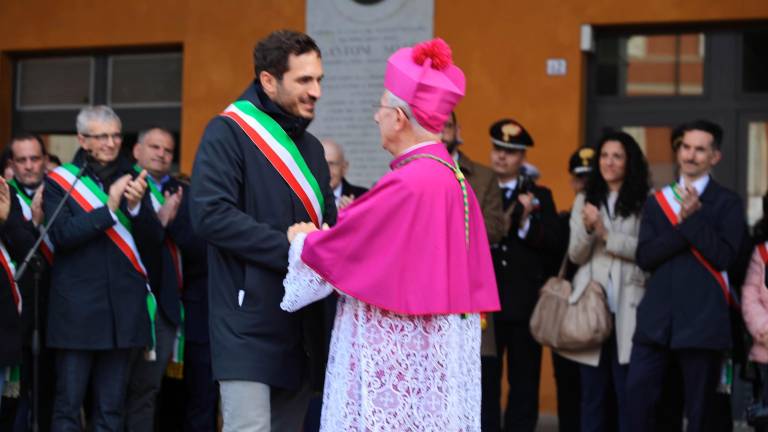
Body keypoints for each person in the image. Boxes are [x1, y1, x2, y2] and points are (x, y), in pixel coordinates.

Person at [280, 38, 499, 431]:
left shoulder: (409, 182)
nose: (375, 118)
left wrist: (304, 239)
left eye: (380, 109)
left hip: (399, 358)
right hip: (432, 355)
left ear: (398, 117)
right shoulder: (453, 177)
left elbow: (343, 251)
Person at [190, 30, 336, 432]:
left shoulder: (312, 151)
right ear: (269, 81)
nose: (316, 91)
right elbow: (209, 215)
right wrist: (288, 245)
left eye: (319, 79)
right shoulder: (227, 133)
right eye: (304, 80)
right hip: (246, 325)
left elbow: (329, 226)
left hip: (302, 327)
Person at [627, 119, 746, 432]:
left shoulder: (728, 203)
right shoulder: (656, 203)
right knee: (643, 411)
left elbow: (725, 257)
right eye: (686, 147)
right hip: (656, 327)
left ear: (714, 157)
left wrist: (692, 223)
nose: (690, 155)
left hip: (702, 326)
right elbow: (645, 257)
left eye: (700, 150)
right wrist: (686, 229)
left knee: (701, 417)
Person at [44, 105, 156, 431]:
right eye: (102, 136)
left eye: (116, 135)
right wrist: (109, 208)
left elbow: (153, 243)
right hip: (76, 316)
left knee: (111, 412)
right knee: (68, 408)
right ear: (82, 139)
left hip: (122, 315)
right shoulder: (60, 181)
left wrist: (135, 208)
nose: (111, 142)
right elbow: (61, 236)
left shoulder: (135, 178)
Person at [566, 132, 650, 432]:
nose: (609, 162)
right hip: (591, 308)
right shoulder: (584, 199)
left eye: (617, 156)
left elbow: (647, 251)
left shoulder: (645, 200)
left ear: (630, 162)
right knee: (592, 397)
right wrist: (588, 230)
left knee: (628, 394)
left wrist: (605, 233)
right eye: (604, 156)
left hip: (631, 308)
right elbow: (575, 255)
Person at [488, 118, 560, 432]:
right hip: (486, 303)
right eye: (497, 148)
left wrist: (528, 223)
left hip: (523, 303)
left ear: (522, 158)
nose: (501, 156)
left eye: (511, 151)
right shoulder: (481, 188)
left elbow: (555, 244)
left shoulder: (540, 195)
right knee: (485, 380)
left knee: (524, 381)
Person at [440, 110, 505, 431]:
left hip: (469, 293)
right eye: (435, 126)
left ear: (458, 130)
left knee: (477, 382)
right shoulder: (412, 171)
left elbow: (494, 228)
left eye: (448, 126)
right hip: (430, 292)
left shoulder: (482, 176)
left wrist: (448, 227)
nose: (441, 132)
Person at [124, 127, 184, 431]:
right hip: (125, 305)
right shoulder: (122, 183)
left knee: (147, 391)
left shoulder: (180, 189)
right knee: (113, 392)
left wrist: (171, 220)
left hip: (164, 307)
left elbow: (192, 240)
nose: (161, 154)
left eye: (168, 150)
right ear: (137, 151)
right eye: (154, 147)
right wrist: (160, 221)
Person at [7, 133, 56, 431]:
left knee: (49, 396)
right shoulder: (5, 195)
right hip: (18, 315)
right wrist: (35, 224)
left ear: (46, 161)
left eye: (35, 159)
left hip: (56, 311)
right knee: (16, 401)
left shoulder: (60, 193)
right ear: (12, 165)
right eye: (22, 160)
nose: (29, 166)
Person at [550, 146, 597, 432]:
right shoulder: (562, 220)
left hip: (596, 314)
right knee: (567, 388)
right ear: (572, 181)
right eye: (581, 179)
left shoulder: (607, 214)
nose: (585, 186)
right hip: (568, 313)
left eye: (591, 179)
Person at [320, 139, 367, 210]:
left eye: (331, 164)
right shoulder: (301, 200)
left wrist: (355, 215)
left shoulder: (363, 197)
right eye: (321, 164)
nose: (326, 170)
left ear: (344, 168)